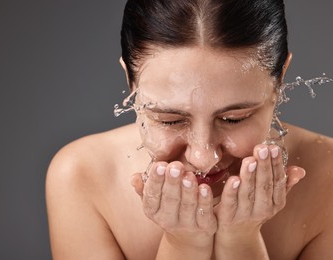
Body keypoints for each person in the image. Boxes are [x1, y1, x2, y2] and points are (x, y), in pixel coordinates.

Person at [46, 0, 333, 259]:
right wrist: (183, 244)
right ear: (132, 83)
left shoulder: (328, 180)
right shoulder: (83, 175)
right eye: (170, 119)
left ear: (279, 80)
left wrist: (241, 241)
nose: (203, 156)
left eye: (234, 118)